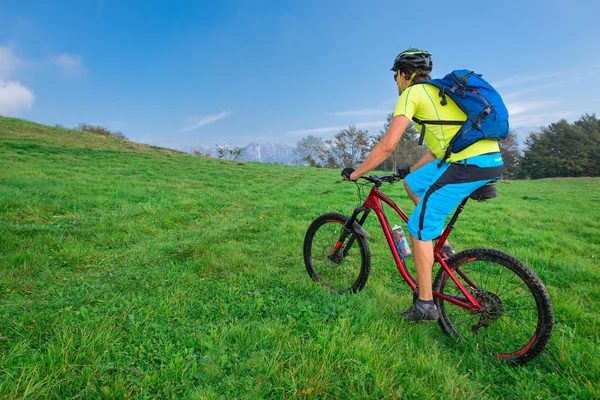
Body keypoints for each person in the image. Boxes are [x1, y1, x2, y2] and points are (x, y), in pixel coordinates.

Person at [344, 48, 504, 322]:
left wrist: (357, 173)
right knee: (414, 183)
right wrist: (408, 170)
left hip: (467, 165)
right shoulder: (440, 95)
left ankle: (425, 305)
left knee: (418, 229)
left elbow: (387, 145)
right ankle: (443, 246)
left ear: (404, 75)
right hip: (487, 160)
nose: (396, 82)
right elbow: (436, 150)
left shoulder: (412, 94)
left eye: (396, 76)